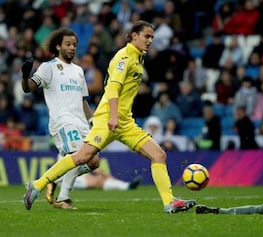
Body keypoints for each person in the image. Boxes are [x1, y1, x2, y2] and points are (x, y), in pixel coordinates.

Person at [23, 21, 196, 213]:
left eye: (152, 38)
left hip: (126, 121)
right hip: (108, 118)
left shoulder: (138, 58)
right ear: (134, 36)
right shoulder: (123, 57)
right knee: (82, 157)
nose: (150, 41)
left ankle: (169, 202)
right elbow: (113, 88)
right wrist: (113, 116)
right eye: (147, 36)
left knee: (159, 155)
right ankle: (38, 185)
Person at [21, 28, 100, 209]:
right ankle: (63, 198)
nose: (72, 48)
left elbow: (82, 100)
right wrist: (25, 76)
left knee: (94, 162)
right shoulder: (48, 67)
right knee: (76, 156)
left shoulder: (79, 71)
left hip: (81, 122)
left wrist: (91, 120)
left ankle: (53, 179)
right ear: (58, 46)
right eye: (68, 44)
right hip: (62, 121)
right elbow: (29, 88)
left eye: (74, 45)